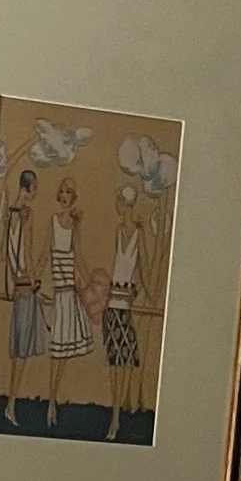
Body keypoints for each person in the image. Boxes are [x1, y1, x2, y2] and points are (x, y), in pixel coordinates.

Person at [102, 181, 152, 438]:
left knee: (123, 364)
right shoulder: (118, 230)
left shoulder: (138, 233)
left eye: (121, 203)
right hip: (112, 306)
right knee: (114, 364)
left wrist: (146, 293)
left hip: (125, 307)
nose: (120, 207)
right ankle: (114, 416)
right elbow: (115, 264)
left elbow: (140, 267)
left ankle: (117, 417)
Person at [45, 176, 92, 425]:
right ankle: (51, 402)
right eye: (61, 192)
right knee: (57, 351)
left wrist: (90, 282)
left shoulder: (75, 225)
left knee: (62, 353)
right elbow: (44, 254)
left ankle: (52, 399)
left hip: (70, 293)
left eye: (68, 193)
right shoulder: (52, 222)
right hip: (59, 292)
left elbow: (78, 256)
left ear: (73, 198)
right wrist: (30, 278)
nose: (64, 196)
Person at [0, 167, 44, 415]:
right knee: (22, 349)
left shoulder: (9, 213)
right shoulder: (25, 213)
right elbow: (26, 249)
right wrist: (36, 280)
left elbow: (7, 251)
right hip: (26, 284)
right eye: (35, 188)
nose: (36, 192)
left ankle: (11, 402)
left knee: (19, 349)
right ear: (28, 188)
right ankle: (11, 403)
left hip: (17, 284)